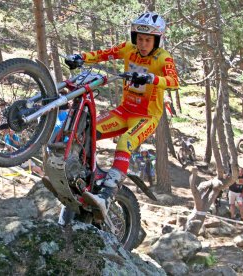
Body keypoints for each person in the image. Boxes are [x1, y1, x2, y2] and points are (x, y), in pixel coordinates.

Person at [64, 12, 179, 219]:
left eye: (148, 40)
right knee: (89, 130)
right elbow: (103, 53)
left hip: (146, 117)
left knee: (125, 141)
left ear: (157, 40)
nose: (143, 44)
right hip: (124, 111)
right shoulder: (128, 49)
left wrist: (151, 77)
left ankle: (108, 193)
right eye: (140, 39)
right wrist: (80, 57)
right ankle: (84, 175)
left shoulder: (163, 58)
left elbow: (174, 81)